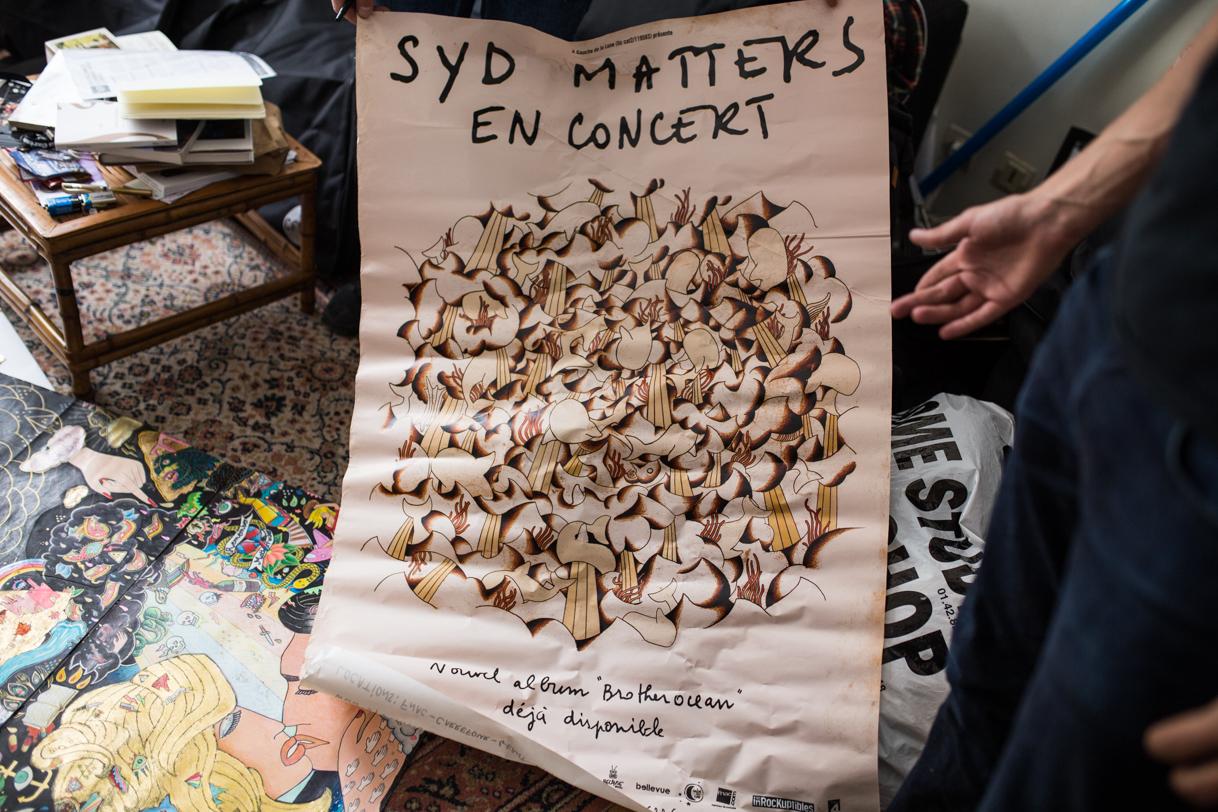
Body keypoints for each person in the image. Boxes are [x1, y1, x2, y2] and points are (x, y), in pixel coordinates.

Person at [888, 8, 1218, 810]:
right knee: (980, 680)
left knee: (1077, 768)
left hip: (1205, 463)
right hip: (1125, 310)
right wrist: (1066, 204)